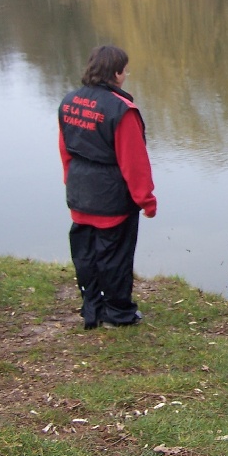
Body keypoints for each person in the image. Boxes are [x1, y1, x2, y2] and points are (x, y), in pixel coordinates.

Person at [58, 45, 157, 330]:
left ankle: (92, 308)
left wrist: (72, 183)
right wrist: (146, 200)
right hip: (112, 198)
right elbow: (133, 161)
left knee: (85, 255)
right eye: (125, 69)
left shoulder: (69, 101)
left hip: (80, 193)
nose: (127, 74)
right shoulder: (121, 110)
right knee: (114, 257)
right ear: (116, 73)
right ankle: (118, 313)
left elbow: (65, 149)